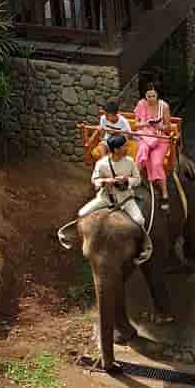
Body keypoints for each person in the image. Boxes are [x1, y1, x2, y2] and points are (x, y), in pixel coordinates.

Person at [78, 133, 152, 263]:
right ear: (116, 149)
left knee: (140, 220)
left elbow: (137, 180)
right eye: (124, 146)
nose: (127, 148)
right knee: (82, 213)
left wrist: (126, 180)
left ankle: (143, 247)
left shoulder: (129, 162)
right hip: (105, 197)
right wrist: (105, 181)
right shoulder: (101, 164)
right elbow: (94, 180)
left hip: (125, 199)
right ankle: (83, 241)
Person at [134, 84, 174, 212]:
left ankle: (164, 194)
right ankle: (132, 181)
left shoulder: (164, 106)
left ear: (157, 95)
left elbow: (168, 127)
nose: (150, 98)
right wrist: (145, 124)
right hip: (145, 135)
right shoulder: (141, 104)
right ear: (145, 96)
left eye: (153, 96)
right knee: (142, 151)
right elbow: (136, 125)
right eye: (148, 96)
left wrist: (158, 127)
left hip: (160, 138)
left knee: (156, 162)